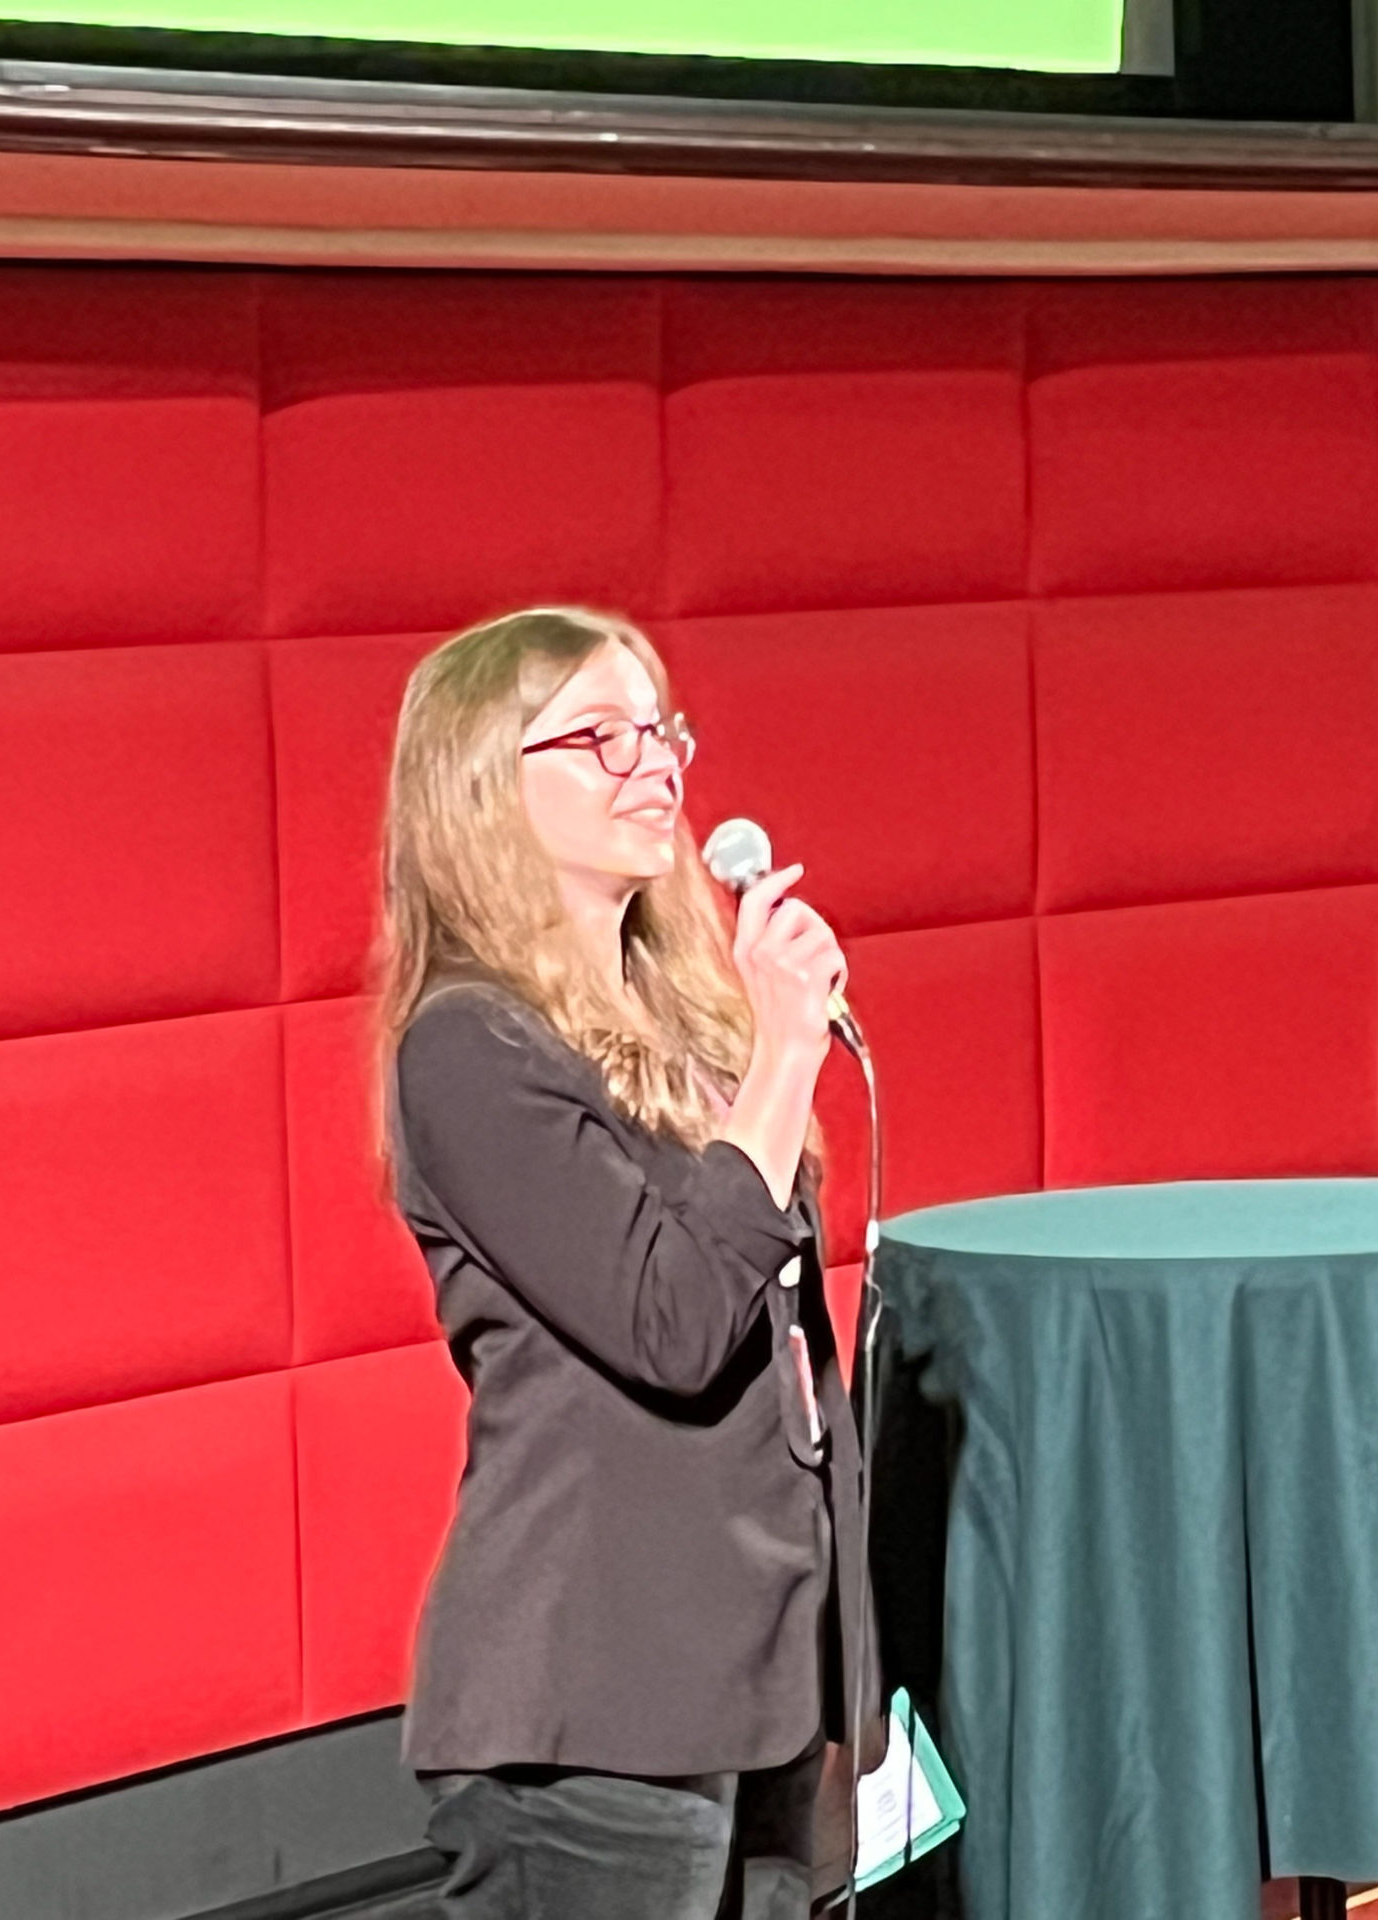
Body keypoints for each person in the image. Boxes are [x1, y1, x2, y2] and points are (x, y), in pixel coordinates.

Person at [377, 606, 871, 1920]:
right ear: (484, 785)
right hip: (599, 1700)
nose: (653, 762)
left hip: (761, 1673)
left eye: (660, 731)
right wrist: (785, 1055)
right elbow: (673, 1323)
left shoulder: (688, 1024)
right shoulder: (471, 1050)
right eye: (600, 737)